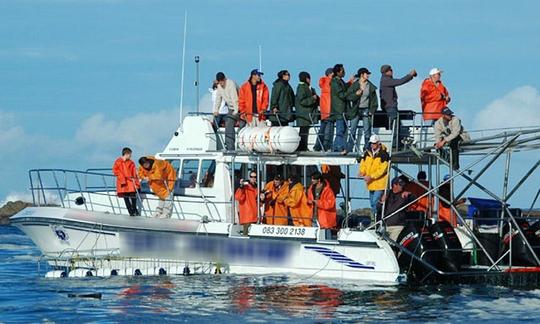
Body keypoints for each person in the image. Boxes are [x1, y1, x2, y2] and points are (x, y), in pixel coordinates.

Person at [379, 65, 417, 148]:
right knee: (395, 126)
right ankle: (395, 145)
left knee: (397, 125)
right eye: (390, 70)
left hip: (389, 106)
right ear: (386, 72)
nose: (392, 71)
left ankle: (397, 143)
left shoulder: (385, 80)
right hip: (390, 107)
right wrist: (410, 75)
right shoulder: (386, 80)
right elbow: (400, 81)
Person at [345, 67, 379, 153]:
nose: (368, 75)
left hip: (366, 109)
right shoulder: (355, 85)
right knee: (352, 129)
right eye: (366, 74)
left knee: (367, 130)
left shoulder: (370, 86)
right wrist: (356, 94)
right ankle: (349, 148)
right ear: (362, 75)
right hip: (356, 110)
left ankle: (367, 148)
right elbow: (348, 96)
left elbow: (374, 100)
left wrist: (372, 110)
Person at [359, 134, 390, 223]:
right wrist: (362, 171)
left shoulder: (384, 154)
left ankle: (376, 221)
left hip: (380, 183)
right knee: (372, 203)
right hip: (370, 183)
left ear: (378, 144)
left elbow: (383, 170)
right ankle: (376, 219)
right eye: (371, 143)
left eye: (374, 143)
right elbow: (363, 164)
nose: (372, 145)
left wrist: (371, 176)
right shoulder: (367, 153)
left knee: (375, 203)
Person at [380, 177, 416, 241]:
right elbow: (379, 208)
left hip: (398, 225)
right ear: (394, 185)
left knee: (393, 243)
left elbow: (414, 198)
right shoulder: (387, 193)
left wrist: (409, 194)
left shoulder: (404, 194)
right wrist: (381, 202)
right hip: (386, 225)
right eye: (400, 185)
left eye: (403, 184)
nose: (402, 186)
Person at [214, 72, 239, 151]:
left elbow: (234, 98)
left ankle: (235, 146)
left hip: (239, 106)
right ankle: (229, 147)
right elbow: (218, 99)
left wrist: (236, 110)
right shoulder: (219, 87)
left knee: (232, 122)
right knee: (227, 123)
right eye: (219, 81)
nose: (221, 83)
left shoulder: (231, 84)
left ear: (225, 79)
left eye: (222, 81)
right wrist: (216, 110)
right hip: (230, 108)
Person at [112, 147, 140, 216]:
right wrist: (122, 177)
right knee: (126, 197)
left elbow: (134, 172)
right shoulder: (118, 161)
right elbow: (115, 171)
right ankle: (131, 212)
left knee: (133, 196)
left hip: (130, 182)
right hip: (123, 182)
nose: (131, 156)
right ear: (126, 154)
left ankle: (134, 209)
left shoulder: (131, 162)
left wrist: (136, 181)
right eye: (130, 154)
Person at [295, 71, 319, 151]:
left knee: (305, 130)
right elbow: (302, 101)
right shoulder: (302, 87)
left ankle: (303, 146)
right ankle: (302, 147)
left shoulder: (307, 87)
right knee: (303, 131)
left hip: (306, 114)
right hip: (304, 114)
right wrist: (313, 98)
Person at [330, 64, 351, 154]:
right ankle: (340, 147)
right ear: (338, 72)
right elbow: (341, 94)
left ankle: (335, 146)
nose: (344, 72)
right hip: (339, 110)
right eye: (342, 71)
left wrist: (350, 82)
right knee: (340, 130)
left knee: (342, 129)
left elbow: (343, 88)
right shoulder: (335, 82)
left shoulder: (340, 81)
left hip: (342, 109)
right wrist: (351, 93)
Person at [314, 68, 334, 152]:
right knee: (329, 129)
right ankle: (326, 146)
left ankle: (318, 145)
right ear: (331, 74)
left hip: (323, 109)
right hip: (330, 109)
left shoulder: (323, 83)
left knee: (322, 128)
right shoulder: (331, 82)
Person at [235, 170, 259, 235]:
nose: (253, 178)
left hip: (255, 216)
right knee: (246, 237)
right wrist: (241, 187)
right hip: (247, 218)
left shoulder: (256, 188)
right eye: (252, 177)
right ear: (249, 177)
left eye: (255, 177)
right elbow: (238, 197)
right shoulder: (245, 187)